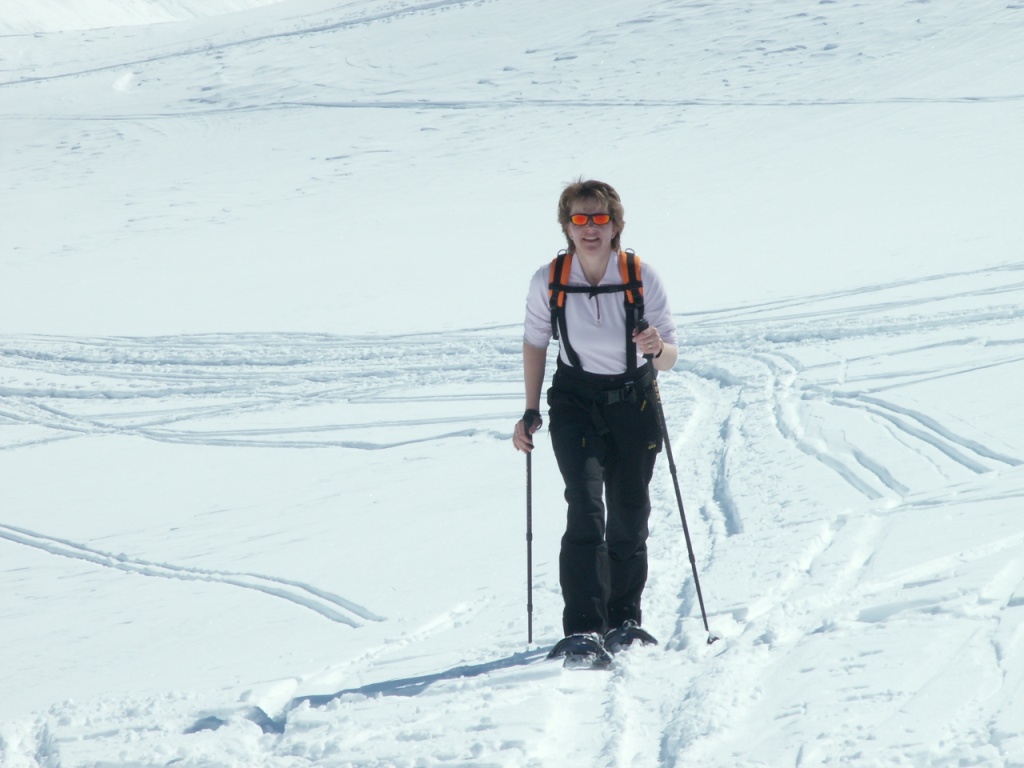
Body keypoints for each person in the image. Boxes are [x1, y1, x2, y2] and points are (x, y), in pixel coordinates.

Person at [512, 179, 678, 658]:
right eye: (580, 219)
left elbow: (670, 357)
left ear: (615, 225)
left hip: (634, 402)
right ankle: (583, 628)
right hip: (575, 403)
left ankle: (624, 620)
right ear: (567, 226)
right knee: (584, 507)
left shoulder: (640, 276)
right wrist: (529, 410)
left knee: (630, 511)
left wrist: (656, 348)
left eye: (600, 218)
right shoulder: (550, 279)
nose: (590, 228)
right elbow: (535, 343)